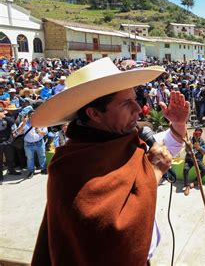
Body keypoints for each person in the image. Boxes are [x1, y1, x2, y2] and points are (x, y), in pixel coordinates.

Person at [30, 58, 189, 265]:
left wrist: (178, 124)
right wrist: (155, 172)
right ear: (94, 113)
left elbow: (167, 147)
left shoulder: (124, 140)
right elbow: (113, 235)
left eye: (135, 99)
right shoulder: (69, 167)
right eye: (126, 103)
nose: (138, 109)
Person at [16, 110, 48, 179]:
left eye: (34, 115)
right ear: (29, 116)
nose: (33, 117)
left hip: (39, 142)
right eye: (31, 116)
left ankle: (43, 169)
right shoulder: (24, 123)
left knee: (42, 156)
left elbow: (45, 132)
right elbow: (18, 132)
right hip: (28, 144)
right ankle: (31, 171)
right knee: (30, 158)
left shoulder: (41, 122)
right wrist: (23, 123)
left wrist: (39, 130)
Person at [183, 127, 205, 196]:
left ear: (201, 134)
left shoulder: (202, 141)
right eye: (196, 133)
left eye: (199, 134)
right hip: (189, 160)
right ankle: (187, 186)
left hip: (198, 160)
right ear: (194, 133)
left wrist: (199, 148)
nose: (197, 135)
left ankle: (195, 181)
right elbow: (186, 150)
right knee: (185, 169)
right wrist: (189, 147)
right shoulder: (190, 140)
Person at [0, 106, 21, 183]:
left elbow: (12, 122)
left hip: (8, 142)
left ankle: (11, 171)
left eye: (1, 111)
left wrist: (4, 117)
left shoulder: (7, 117)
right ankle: (0, 175)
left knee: (10, 158)